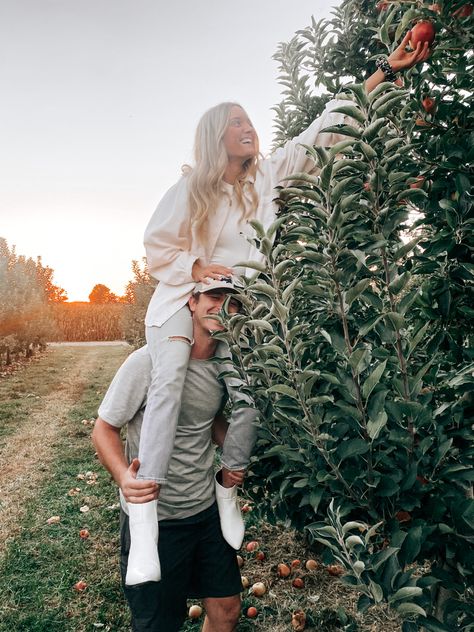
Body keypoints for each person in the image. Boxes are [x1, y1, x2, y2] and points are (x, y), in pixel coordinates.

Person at [131, 30, 431, 584]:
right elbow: (155, 245)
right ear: (215, 137)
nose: (249, 129)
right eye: (237, 123)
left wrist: (388, 71)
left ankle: (228, 490)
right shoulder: (193, 187)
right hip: (182, 300)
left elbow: (326, 127)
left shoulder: (267, 176)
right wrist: (198, 270)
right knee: (169, 384)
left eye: (251, 122)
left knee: (247, 403)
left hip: (239, 313)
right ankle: (144, 516)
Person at [92, 279, 258, 632]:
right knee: (160, 624)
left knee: (227, 609)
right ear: (192, 303)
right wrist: (124, 477)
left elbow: (205, 418)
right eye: (214, 297)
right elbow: (103, 429)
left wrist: (236, 452)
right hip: (159, 518)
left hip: (204, 510)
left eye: (233, 304)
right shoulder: (147, 362)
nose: (223, 308)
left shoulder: (224, 370)